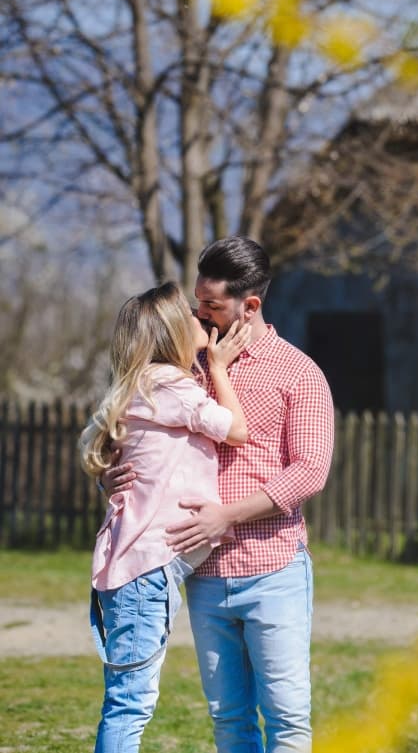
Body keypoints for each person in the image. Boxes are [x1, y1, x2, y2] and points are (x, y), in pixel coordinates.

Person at [103, 236, 335, 753]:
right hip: (202, 574)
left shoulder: (299, 372)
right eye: (196, 301)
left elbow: (310, 472)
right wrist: (110, 477)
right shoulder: (184, 367)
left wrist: (224, 517)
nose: (198, 312)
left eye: (211, 305)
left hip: (273, 570)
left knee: (288, 720)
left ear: (249, 305)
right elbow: (137, 440)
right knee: (229, 721)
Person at [81, 281, 252, 753]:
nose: (202, 319)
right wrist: (218, 368)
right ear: (173, 331)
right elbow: (235, 430)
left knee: (127, 699)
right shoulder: (170, 386)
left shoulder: (141, 386)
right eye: (191, 316)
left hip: (132, 569)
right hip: (145, 570)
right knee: (130, 703)